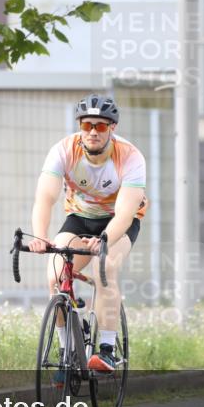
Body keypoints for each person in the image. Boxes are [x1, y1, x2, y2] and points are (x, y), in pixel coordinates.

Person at [29, 94, 147, 374]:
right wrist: (40, 236)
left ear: (112, 129)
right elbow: (45, 198)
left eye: (101, 126)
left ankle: (106, 349)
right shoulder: (63, 150)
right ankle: (66, 350)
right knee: (56, 276)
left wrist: (104, 239)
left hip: (118, 221)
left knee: (105, 267)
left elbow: (125, 212)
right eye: (87, 125)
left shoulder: (130, 157)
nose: (93, 131)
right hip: (80, 218)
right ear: (80, 126)